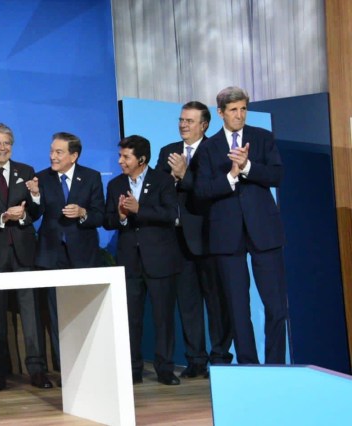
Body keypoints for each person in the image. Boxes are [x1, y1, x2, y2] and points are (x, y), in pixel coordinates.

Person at [194, 86, 288, 365]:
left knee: (276, 306)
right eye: (234, 110)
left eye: (243, 108)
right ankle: (249, 366)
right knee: (237, 308)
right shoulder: (208, 148)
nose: (240, 115)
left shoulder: (262, 138)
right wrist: (231, 176)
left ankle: (275, 366)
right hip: (227, 235)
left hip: (264, 232)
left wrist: (247, 167)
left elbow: (276, 175)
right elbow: (201, 191)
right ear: (220, 112)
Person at [155, 102, 233, 377]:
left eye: (189, 121)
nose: (183, 125)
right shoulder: (168, 151)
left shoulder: (216, 149)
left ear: (204, 125)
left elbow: (213, 190)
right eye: (181, 120)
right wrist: (174, 179)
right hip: (178, 239)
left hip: (210, 238)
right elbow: (159, 190)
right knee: (188, 304)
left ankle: (220, 359)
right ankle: (196, 360)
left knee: (217, 302)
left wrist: (184, 176)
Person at [0, 123, 53, 391]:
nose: (2, 148)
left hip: (22, 251)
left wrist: (33, 198)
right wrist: (2, 217)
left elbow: (36, 211)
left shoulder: (26, 171)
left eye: (7, 143)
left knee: (30, 313)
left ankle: (37, 370)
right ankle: (0, 373)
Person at [105, 135, 182, 385]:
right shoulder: (115, 185)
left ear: (142, 159)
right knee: (130, 318)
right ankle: (133, 370)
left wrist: (140, 210)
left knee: (163, 318)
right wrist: (121, 216)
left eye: (125, 157)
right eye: (120, 156)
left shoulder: (162, 180)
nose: (120, 161)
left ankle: (165, 369)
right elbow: (108, 220)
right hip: (129, 261)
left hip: (160, 260)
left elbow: (170, 214)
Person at [28, 132, 105, 373]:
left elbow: (100, 215)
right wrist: (35, 196)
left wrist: (83, 213)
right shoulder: (41, 178)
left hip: (83, 255)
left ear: (74, 156)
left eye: (59, 152)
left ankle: (89, 366)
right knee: (56, 314)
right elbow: (34, 214)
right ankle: (65, 369)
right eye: (52, 151)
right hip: (52, 255)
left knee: (85, 310)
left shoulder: (91, 177)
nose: (53, 156)